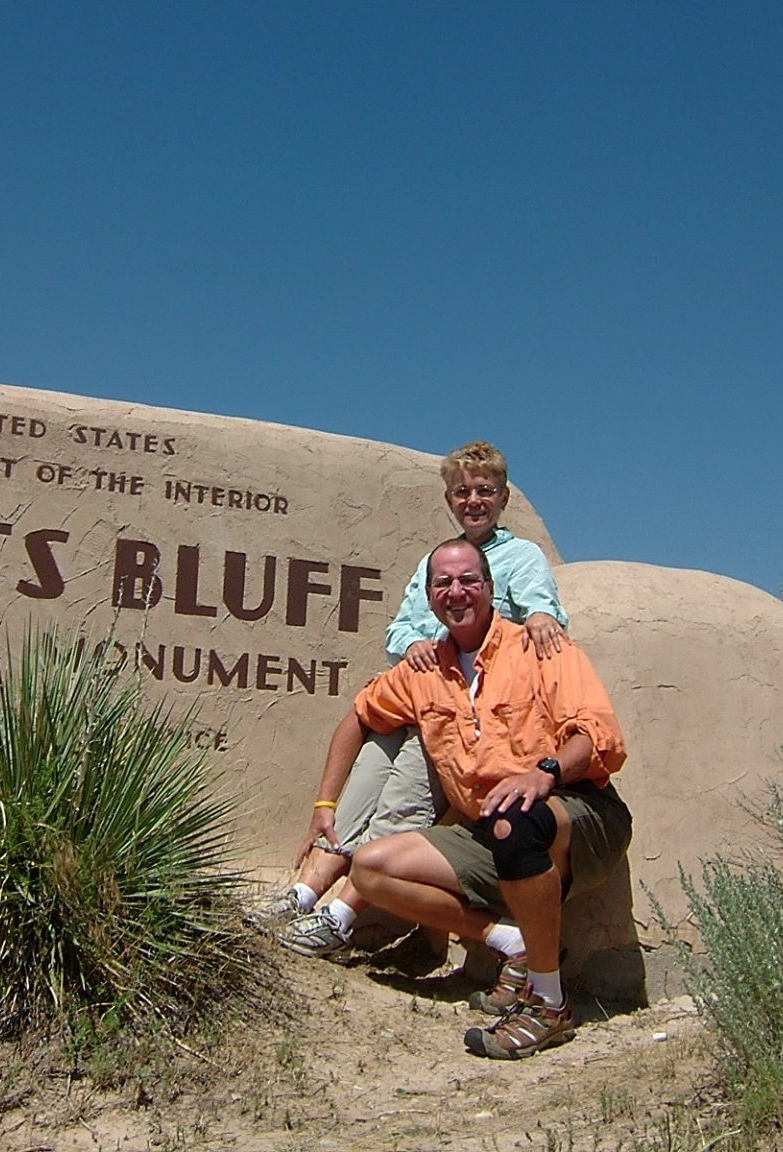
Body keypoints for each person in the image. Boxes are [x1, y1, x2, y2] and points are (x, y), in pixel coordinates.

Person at [321, 538, 630, 1059]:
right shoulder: (423, 672)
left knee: (516, 820)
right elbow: (357, 716)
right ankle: (510, 940)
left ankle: (550, 1002)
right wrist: (324, 806)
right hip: (493, 832)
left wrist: (545, 774)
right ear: (428, 594)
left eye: (468, 580)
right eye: (443, 582)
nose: (456, 591)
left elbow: (596, 735)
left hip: (579, 814)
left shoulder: (540, 647)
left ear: (489, 588)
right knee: (371, 869)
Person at [262, 441, 570, 959]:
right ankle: (302, 895)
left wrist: (540, 618)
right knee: (358, 794)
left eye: (485, 491)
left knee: (402, 804)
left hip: (457, 710)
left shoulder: (520, 557)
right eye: (462, 492)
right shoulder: (435, 559)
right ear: (449, 500)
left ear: (503, 497)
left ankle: (339, 918)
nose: (473, 501)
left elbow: (541, 613)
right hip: (409, 699)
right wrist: (414, 645)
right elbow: (398, 630)